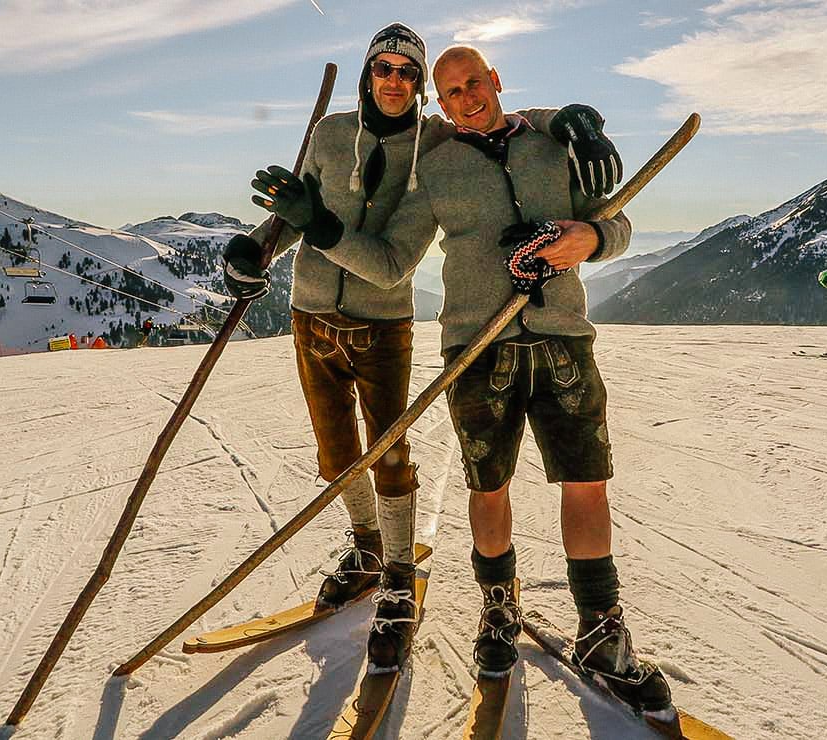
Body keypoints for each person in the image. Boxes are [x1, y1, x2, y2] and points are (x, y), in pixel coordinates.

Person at [266, 44, 673, 712]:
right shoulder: (437, 164)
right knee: (490, 489)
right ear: (442, 103)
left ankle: (601, 631)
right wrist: (321, 231)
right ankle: (497, 610)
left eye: (474, 83)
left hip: (564, 340)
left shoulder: (553, 147)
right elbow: (394, 258)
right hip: (477, 349)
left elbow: (617, 221)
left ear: (496, 81)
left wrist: (591, 242)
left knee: (587, 485)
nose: (465, 98)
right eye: (451, 91)